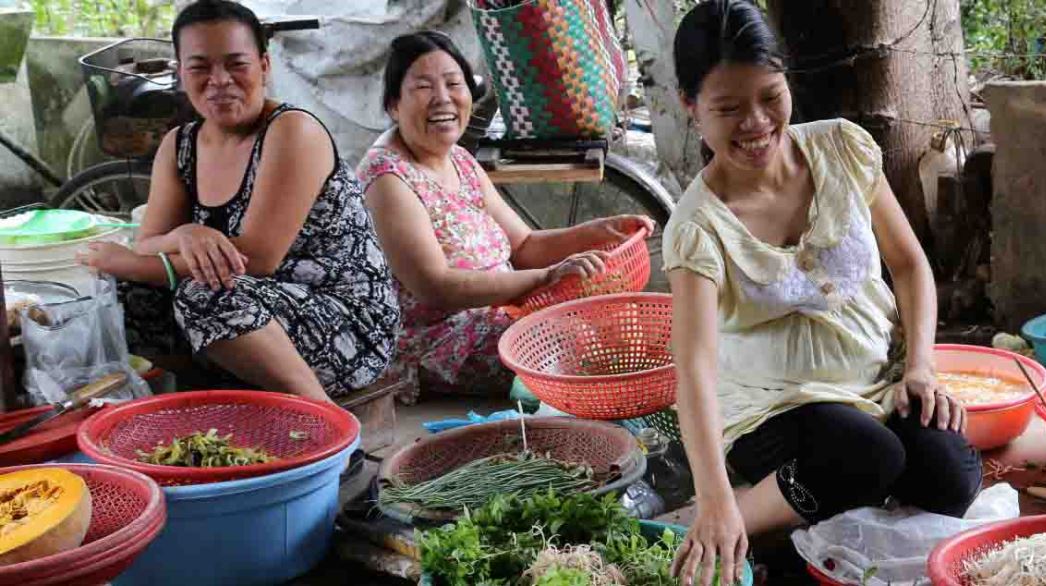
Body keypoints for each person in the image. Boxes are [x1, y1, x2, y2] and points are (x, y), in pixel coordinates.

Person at [662, 2, 980, 584]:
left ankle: (812, 508)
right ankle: (730, 518)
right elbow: (696, 368)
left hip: (874, 375)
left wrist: (921, 368)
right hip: (773, 404)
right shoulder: (697, 227)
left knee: (949, 476)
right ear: (691, 108)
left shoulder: (842, 148)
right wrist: (711, 495)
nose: (756, 123)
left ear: (786, 79)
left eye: (770, 96)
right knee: (869, 456)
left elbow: (909, 265)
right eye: (728, 109)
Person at [78, 0, 398, 403]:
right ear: (180, 73)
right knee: (129, 294)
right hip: (253, 310)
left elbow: (255, 261)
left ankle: (328, 426)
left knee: (203, 294)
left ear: (264, 66)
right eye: (200, 67)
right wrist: (185, 233)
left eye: (236, 64)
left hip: (344, 324)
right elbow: (148, 241)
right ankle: (204, 402)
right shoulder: (180, 146)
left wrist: (129, 261)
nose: (219, 80)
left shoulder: (292, 130)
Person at [358, 31, 654, 399]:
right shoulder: (386, 177)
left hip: (498, 316)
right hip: (439, 344)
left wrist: (599, 231)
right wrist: (545, 278)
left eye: (454, 83)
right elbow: (434, 285)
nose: (443, 98)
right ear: (393, 105)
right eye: (423, 87)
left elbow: (525, 244)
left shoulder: (461, 162)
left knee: (619, 323)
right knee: (583, 344)